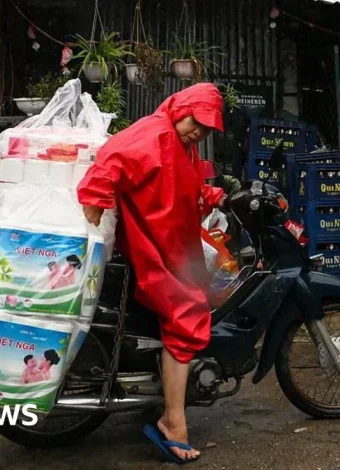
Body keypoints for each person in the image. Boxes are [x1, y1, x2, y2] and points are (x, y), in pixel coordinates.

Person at [76, 83, 226, 464]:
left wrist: (215, 196)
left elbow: (181, 188)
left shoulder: (181, 145)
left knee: (207, 291)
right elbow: (112, 160)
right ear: (182, 107)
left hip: (173, 248)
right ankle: (173, 421)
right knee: (188, 314)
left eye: (207, 129)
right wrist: (92, 205)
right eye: (198, 121)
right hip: (154, 252)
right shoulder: (155, 133)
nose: (200, 131)